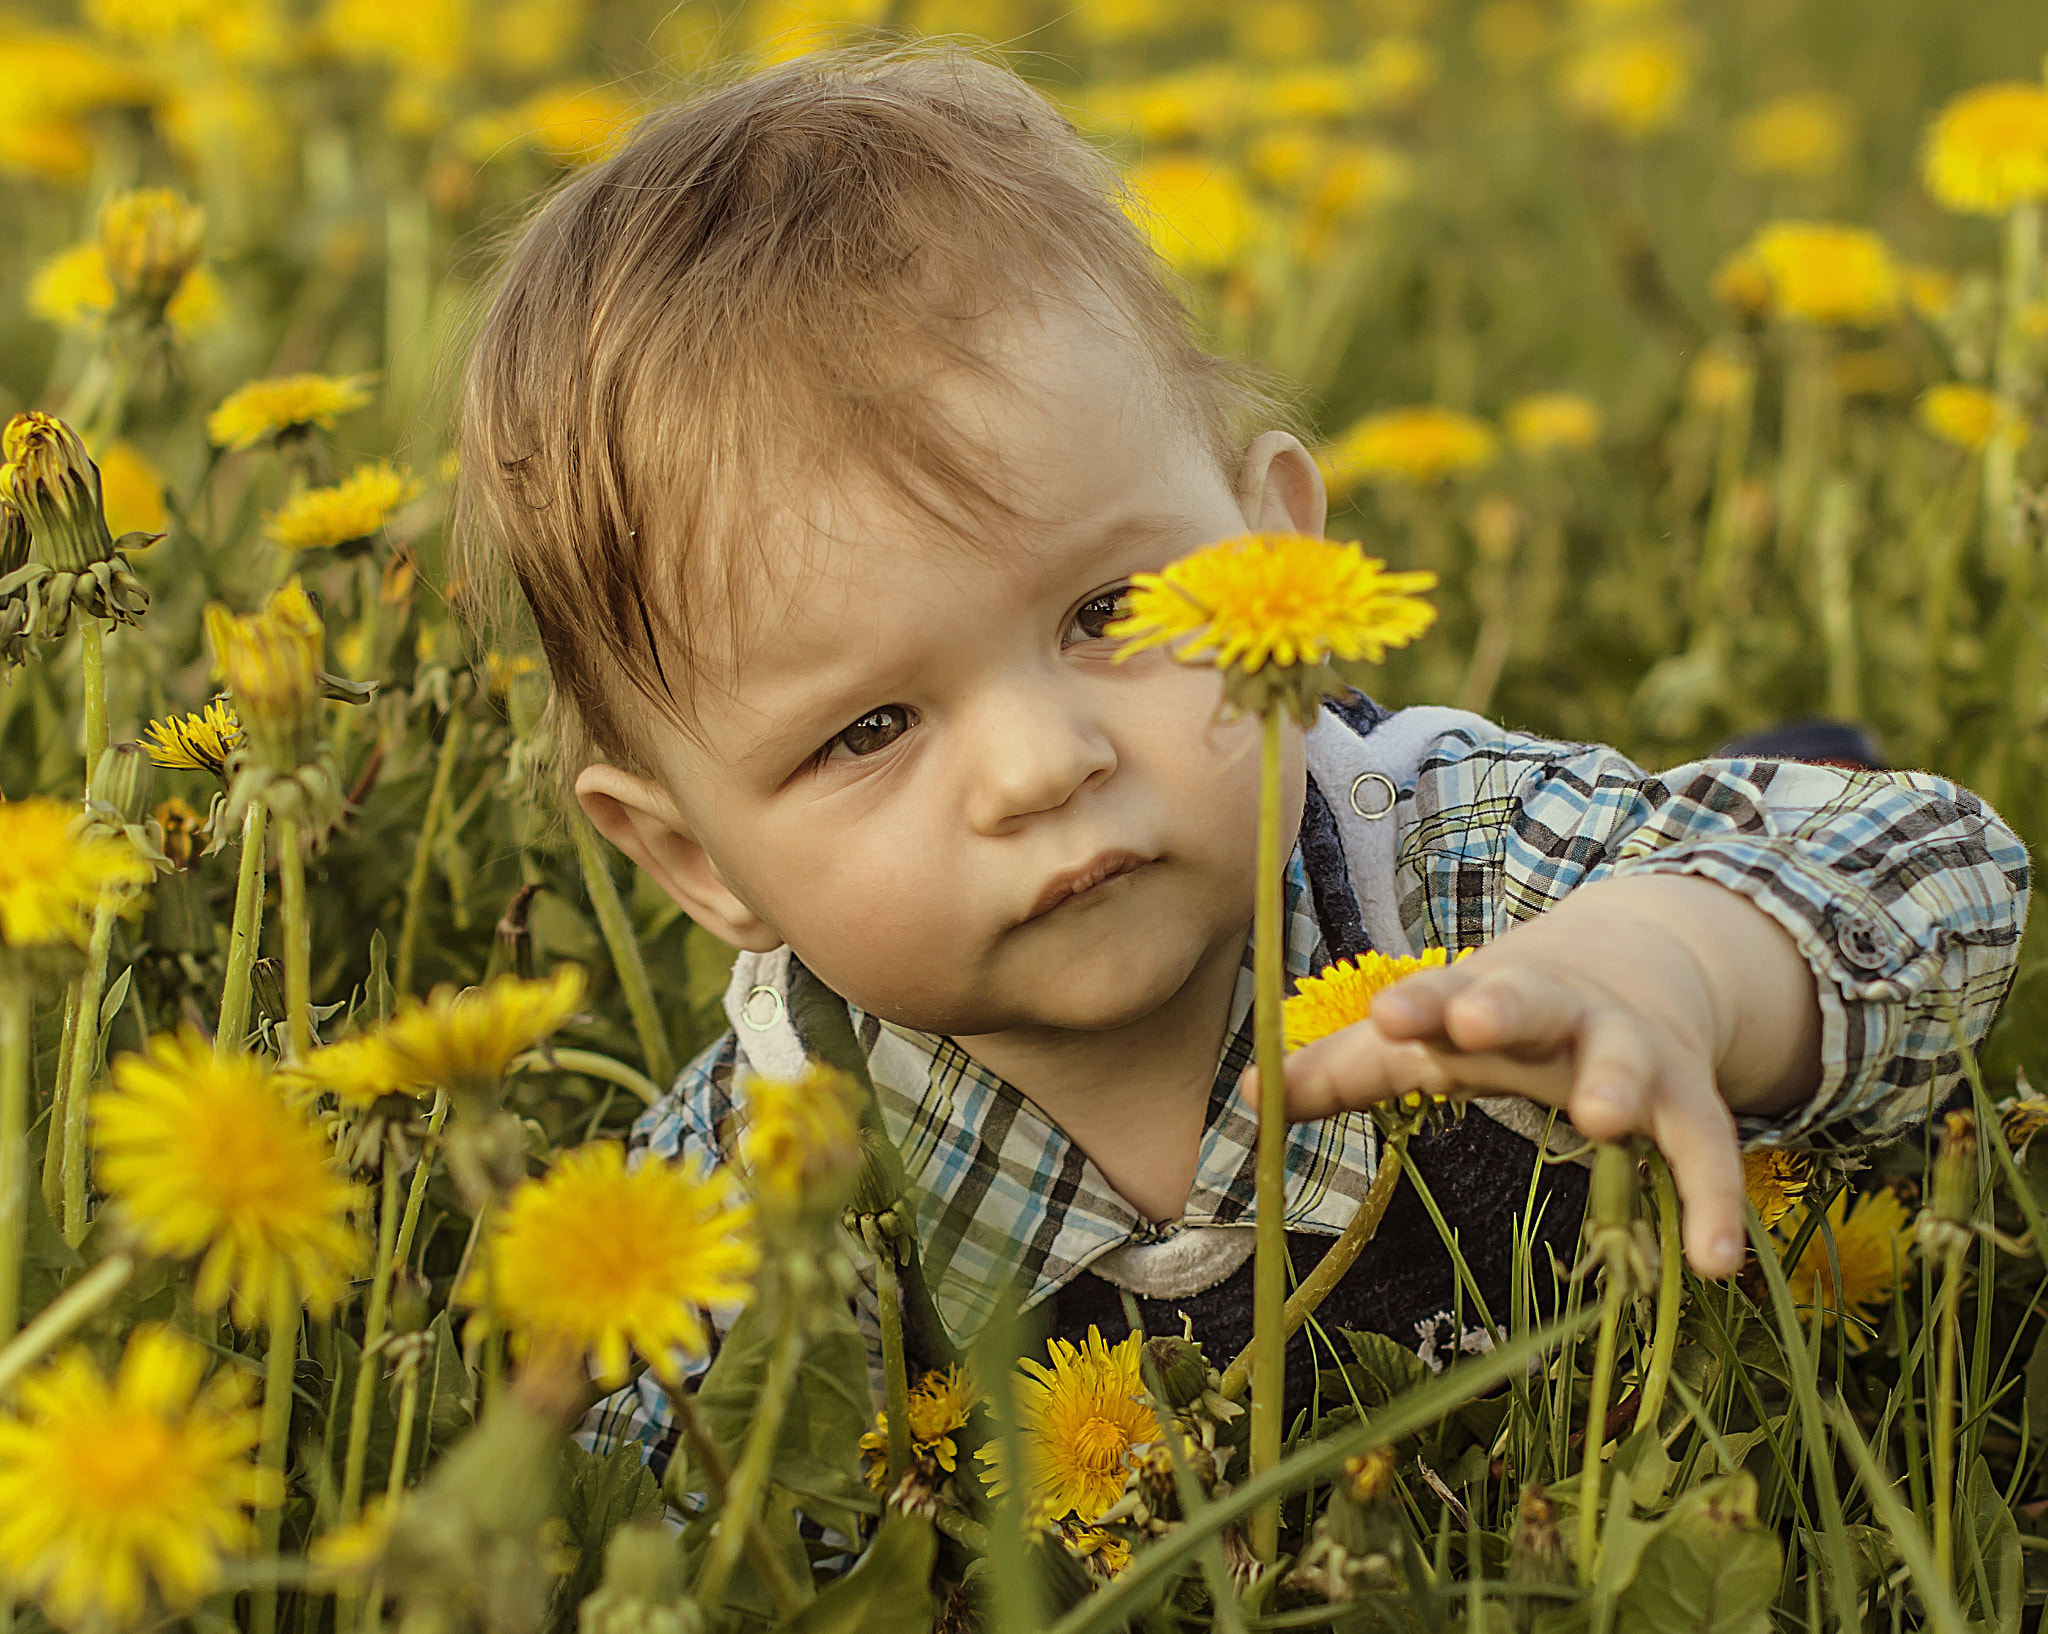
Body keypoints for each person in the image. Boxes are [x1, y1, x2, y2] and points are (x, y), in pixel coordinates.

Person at [450, 46, 2029, 1478]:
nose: (1040, 762)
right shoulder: (743, 1197)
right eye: (869, 728)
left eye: (1109, 610)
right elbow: (609, 1505)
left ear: (1273, 542)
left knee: (1739, 839)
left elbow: (1935, 872)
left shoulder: (1446, 863)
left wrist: (1670, 961)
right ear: (696, 861)